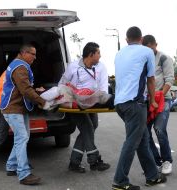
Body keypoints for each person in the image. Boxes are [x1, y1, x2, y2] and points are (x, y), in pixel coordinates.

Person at [112, 26, 167, 190]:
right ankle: (120, 181)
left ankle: (152, 176)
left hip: (120, 104)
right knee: (132, 142)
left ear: (127, 39)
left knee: (142, 139)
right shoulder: (146, 52)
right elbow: (151, 79)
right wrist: (153, 101)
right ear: (141, 39)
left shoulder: (119, 53)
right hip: (135, 103)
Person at [0, 44, 52, 185]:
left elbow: (22, 87)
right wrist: (43, 102)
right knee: (22, 137)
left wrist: (35, 89)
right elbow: (25, 90)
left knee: (22, 137)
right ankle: (23, 174)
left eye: (35, 54)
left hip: (17, 108)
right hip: (13, 108)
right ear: (23, 53)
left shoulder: (16, 65)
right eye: (32, 54)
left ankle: (11, 166)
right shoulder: (20, 67)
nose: (35, 58)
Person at [58, 42, 110, 173]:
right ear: (91, 54)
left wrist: (103, 99)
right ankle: (94, 160)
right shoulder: (73, 67)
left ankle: (74, 162)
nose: (100, 55)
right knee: (87, 128)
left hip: (93, 101)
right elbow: (62, 84)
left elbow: (103, 86)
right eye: (98, 53)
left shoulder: (101, 67)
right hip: (76, 103)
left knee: (91, 127)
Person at [142, 34, 174, 174]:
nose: (149, 50)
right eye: (146, 48)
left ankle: (167, 161)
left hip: (163, 99)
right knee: (144, 131)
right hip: (147, 100)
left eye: (151, 47)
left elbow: (169, 79)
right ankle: (156, 161)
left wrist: (159, 94)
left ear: (155, 45)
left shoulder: (164, 58)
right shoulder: (142, 59)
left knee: (159, 129)